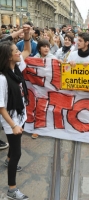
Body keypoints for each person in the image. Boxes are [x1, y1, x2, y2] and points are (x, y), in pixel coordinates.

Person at [0, 24, 31, 200]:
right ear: (8, 56)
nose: (19, 52)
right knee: (17, 153)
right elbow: (0, 107)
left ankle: (8, 160)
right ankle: (12, 189)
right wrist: (13, 126)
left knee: (14, 148)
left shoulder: (15, 68)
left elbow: (26, 49)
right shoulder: (2, 78)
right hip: (11, 119)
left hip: (20, 114)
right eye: (15, 51)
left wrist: (26, 35)